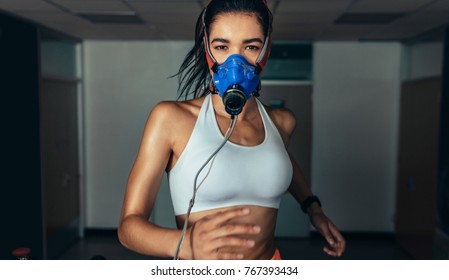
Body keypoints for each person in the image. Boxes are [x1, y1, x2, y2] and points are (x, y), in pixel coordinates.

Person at [118, 0, 345, 260]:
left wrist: (313, 208)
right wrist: (183, 243)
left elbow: (277, 160)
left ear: (266, 51)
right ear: (207, 49)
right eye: (222, 46)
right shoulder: (171, 119)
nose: (235, 62)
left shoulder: (281, 122)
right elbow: (128, 228)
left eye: (251, 46)